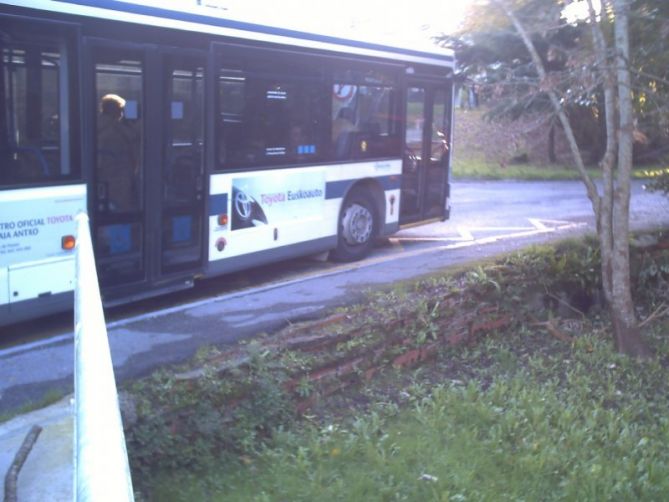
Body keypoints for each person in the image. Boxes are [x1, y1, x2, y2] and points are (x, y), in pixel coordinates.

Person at [96, 93, 140, 212]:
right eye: (121, 110)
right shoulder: (118, 130)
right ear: (114, 110)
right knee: (120, 211)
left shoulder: (94, 126)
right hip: (118, 176)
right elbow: (134, 144)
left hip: (101, 176)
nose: (122, 114)